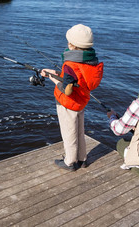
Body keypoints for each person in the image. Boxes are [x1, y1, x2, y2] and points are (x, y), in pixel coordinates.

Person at [41, 24, 104, 171]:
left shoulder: (70, 64)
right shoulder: (92, 62)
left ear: (71, 45)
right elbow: (77, 78)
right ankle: (82, 159)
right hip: (82, 102)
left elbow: (68, 90)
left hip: (68, 103)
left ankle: (70, 162)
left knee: (69, 133)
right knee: (79, 131)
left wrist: (52, 78)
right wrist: (55, 72)